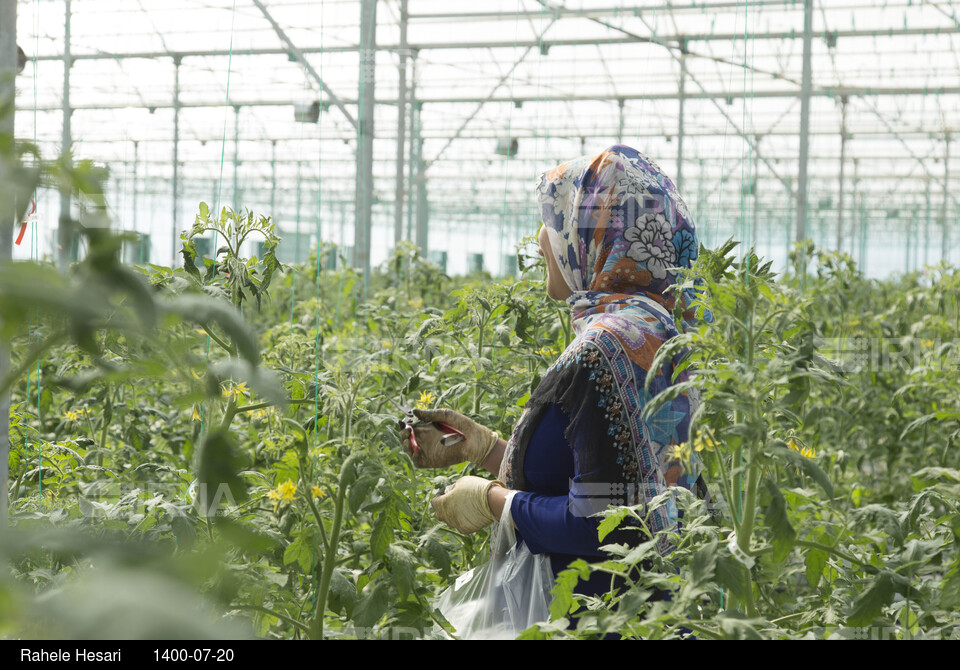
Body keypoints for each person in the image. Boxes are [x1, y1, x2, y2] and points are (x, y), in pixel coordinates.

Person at [402, 144, 707, 601]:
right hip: (661, 612)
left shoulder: (606, 346)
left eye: (554, 220)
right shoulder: (663, 332)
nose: (543, 239)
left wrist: (493, 501)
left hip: (602, 620)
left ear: (596, 235)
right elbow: (615, 479)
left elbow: (608, 526)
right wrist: (486, 449)